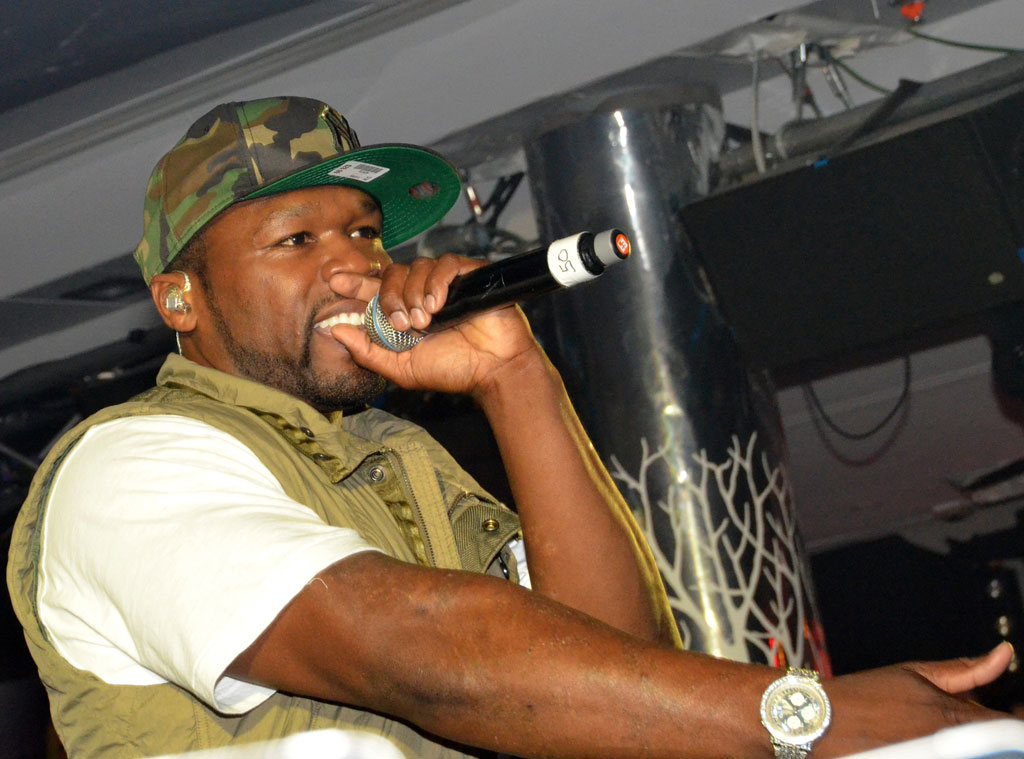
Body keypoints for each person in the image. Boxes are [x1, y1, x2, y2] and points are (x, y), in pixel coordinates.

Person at [5, 96, 1017, 759]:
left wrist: (515, 380)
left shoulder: (398, 455)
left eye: (363, 232)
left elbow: (618, 674)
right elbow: (411, 649)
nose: (354, 266)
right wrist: (800, 717)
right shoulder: (129, 465)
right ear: (180, 298)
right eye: (296, 240)